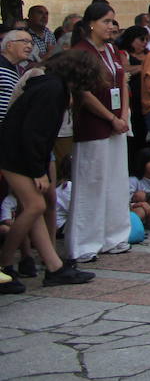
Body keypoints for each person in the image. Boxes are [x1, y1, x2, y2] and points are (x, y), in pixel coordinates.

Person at [0, 51, 101, 291]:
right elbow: (34, 132)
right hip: (15, 152)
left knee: (34, 207)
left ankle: (54, 267)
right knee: (35, 206)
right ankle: (4, 265)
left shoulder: (50, 84)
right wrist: (38, 171)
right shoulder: (52, 90)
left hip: (17, 150)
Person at [67, 0, 132, 262]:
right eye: (106, 21)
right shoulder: (81, 52)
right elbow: (82, 92)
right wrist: (109, 117)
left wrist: (124, 114)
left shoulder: (113, 51)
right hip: (94, 125)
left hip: (117, 123)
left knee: (116, 181)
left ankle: (115, 236)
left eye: (113, 21)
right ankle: (84, 244)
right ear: (91, 24)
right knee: (91, 183)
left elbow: (123, 82)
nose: (111, 26)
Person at [0, 31, 31, 123]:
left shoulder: (15, 70)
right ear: (9, 45)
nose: (30, 46)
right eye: (25, 42)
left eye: (31, 43)